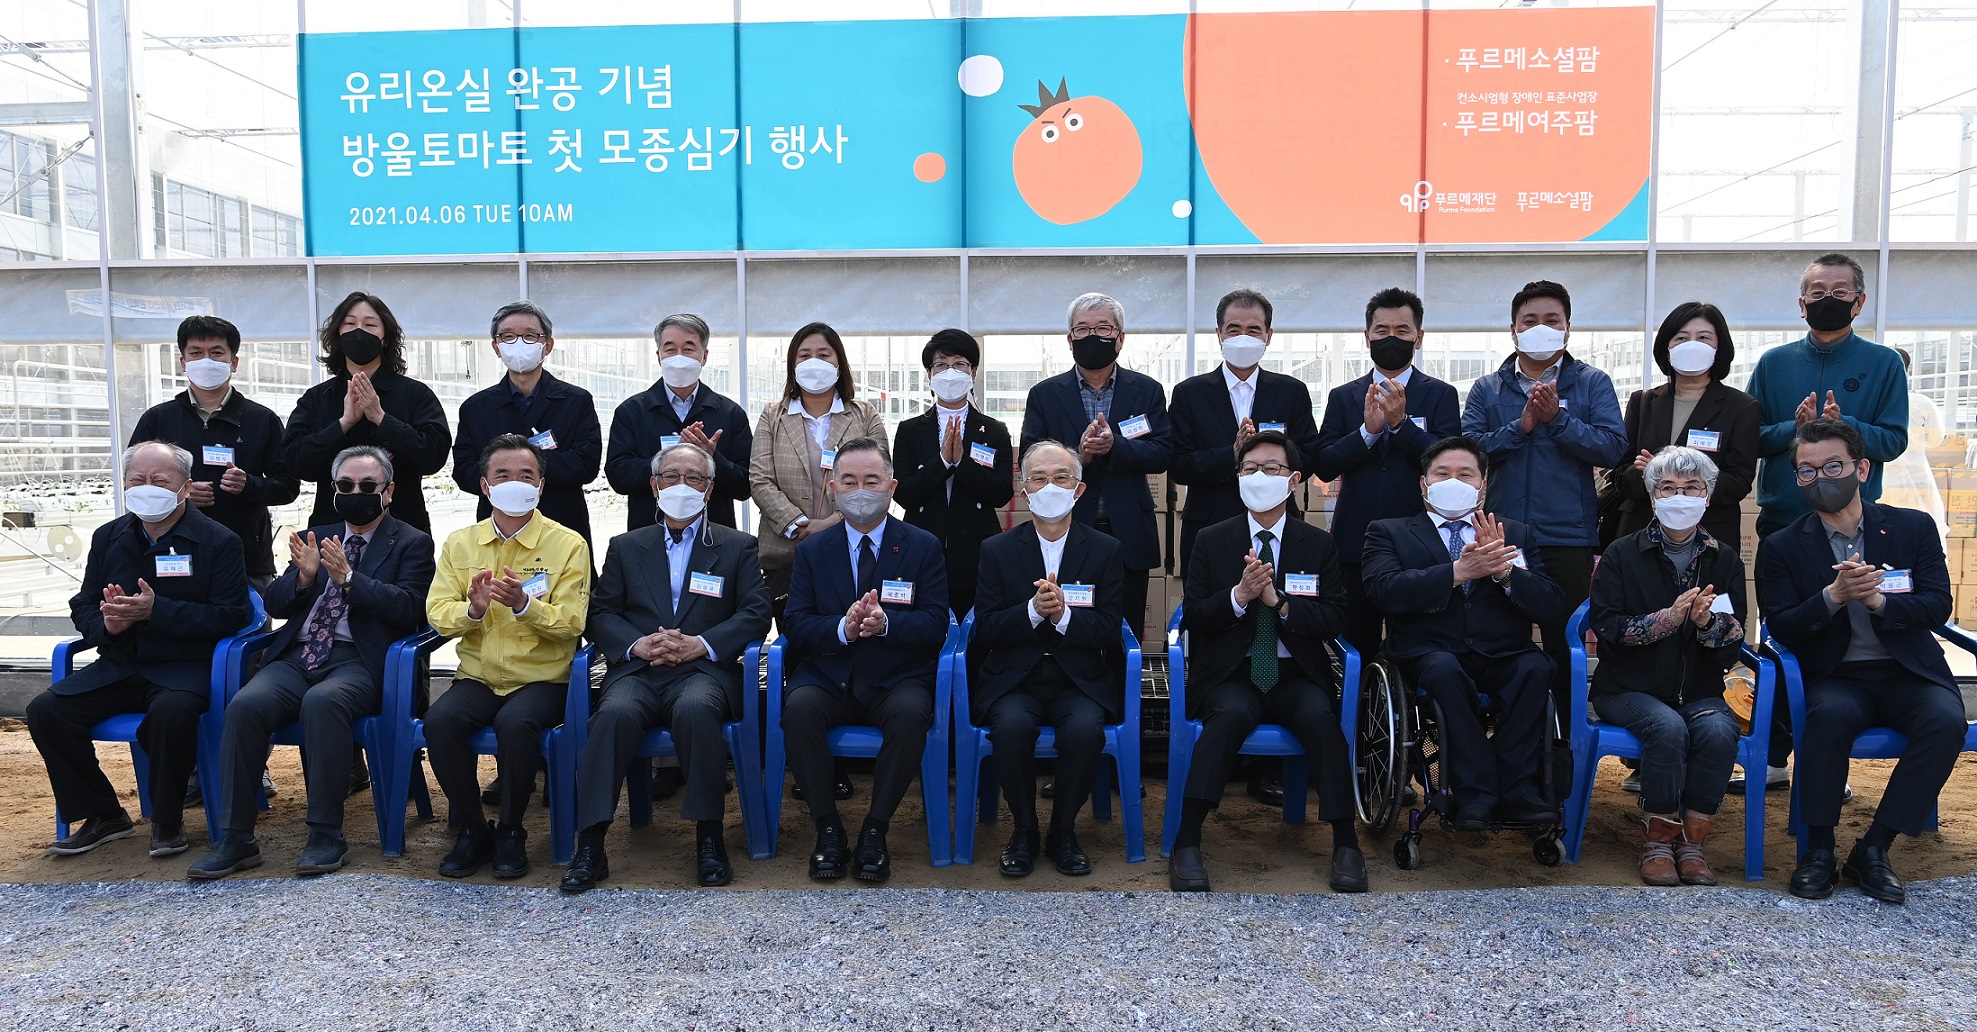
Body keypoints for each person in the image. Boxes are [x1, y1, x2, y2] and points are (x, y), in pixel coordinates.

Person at [186, 446, 435, 880]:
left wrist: (350, 580)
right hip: (299, 655)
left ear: (389, 491)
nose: (355, 493)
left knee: (323, 702)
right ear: (333, 489)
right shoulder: (316, 535)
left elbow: (410, 608)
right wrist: (303, 577)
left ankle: (325, 832)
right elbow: (275, 604)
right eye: (345, 485)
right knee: (245, 706)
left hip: (361, 660)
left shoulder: (412, 542)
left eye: (367, 485)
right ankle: (236, 837)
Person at [1757, 418, 1964, 906]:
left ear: (1862, 469)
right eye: (1807, 471)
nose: (1820, 478)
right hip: (1837, 675)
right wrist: (1831, 597)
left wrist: (1880, 603)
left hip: (1906, 671)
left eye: (1833, 466)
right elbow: (1781, 625)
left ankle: (1874, 847)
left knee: (1945, 719)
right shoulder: (1782, 545)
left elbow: (1938, 604)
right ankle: (1819, 849)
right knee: (1829, 716)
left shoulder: (1912, 527)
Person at [562, 443, 773, 893]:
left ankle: (709, 837)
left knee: (697, 711)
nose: (682, 485)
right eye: (671, 476)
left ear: (709, 489)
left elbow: (756, 613)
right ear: (654, 486)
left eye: (693, 477)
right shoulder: (626, 546)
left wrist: (701, 644)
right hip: (640, 669)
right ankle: (592, 844)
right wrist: (637, 644)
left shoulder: (737, 546)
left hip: (703, 672)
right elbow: (601, 612)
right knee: (613, 715)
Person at [27, 442, 251, 858]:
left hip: (184, 668)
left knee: (171, 713)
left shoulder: (218, 541)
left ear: (185, 487)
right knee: (46, 710)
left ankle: (167, 820)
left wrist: (156, 611)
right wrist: (107, 625)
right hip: (120, 663)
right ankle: (103, 814)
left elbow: (232, 615)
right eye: (137, 480)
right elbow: (84, 602)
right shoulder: (109, 536)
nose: (147, 488)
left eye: (159, 481)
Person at [1169, 430, 1359, 894]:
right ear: (1237, 478)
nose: (1259, 476)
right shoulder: (1212, 539)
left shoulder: (1317, 544)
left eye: (1272, 468)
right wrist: (1239, 596)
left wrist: (1281, 603)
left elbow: (1335, 616)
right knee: (1228, 718)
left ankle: (1346, 841)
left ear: (1293, 480)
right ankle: (1187, 840)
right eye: (1250, 468)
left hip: (1295, 673)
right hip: (1232, 673)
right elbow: (1194, 614)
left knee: (1320, 719)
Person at [1745, 253, 1910, 786]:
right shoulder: (1774, 363)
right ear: (1801, 304)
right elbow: (1750, 436)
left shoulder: (1883, 363)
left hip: (1853, 526)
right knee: (1780, 636)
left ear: (1859, 302)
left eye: (1840, 292)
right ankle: (1772, 757)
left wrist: (1846, 427)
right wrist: (1793, 431)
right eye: (1817, 293)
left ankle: (1830, 756)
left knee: (1847, 634)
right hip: (1784, 525)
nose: (1828, 300)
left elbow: (1894, 441)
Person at [1361, 436, 1564, 830]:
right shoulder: (1389, 531)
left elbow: (1551, 605)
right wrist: (1457, 572)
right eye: (1443, 474)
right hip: (1428, 650)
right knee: (1444, 671)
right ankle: (1474, 791)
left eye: (1465, 474)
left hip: (1502, 651)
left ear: (1482, 486)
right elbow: (1383, 590)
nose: (1453, 481)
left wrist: (1505, 572)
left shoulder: (1514, 532)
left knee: (1536, 668)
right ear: (1424, 484)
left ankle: (1518, 789)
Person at [779, 437, 950, 883]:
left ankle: (875, 829)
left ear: (891, 487)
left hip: (897, 676)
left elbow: (936, 622)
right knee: (798, 710)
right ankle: (828, 829)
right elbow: (795, 622)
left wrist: (887, 624)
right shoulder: (813, 550)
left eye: (871, 481)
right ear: (833, 487)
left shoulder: (922, 545)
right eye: (850, 481)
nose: (860, 490)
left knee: (910, 715)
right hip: (828, 673)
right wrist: (844, 628)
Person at [424, 434, 591, 880]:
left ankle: (512, 830)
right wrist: (473, 610)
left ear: (541, 485)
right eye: (503, 475)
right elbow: (438, 613)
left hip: (542, 678)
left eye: (526, 475)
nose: (515, 483)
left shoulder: (567, 544)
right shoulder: (461, 543)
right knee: (439, 723)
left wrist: (524, 605)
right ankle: (473, 829)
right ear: (485, 485)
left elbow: (572, 621)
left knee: (515, 725)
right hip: (478, 676)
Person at [1461, 279, 1625, 714]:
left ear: (1568, 329)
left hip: (1567, 535)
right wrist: (1521, 427)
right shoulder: (1487, 388)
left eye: (1552, 320)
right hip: (1503, 535)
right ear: (1513, 330)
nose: (1540, 328)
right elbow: (1470, 450)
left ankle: (1566, 740)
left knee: (1564, 641)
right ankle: (1506, 732)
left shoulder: (1592, 383)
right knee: (1501, 638)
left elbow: (1613, 447)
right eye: (1529, 320)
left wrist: (1558, 421)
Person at [1589, 446, 1746, 887]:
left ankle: (1693, 842)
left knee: (1719, 731)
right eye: (1668, 488)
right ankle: (1658, 841)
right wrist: (1667, 620)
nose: (1680, 497)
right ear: (1653, 496)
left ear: (1707, 497)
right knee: (1667, 727)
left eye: (1691, 488)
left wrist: (1708, 624)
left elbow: (1735, 637)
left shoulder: (1723, 558)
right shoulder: (1622, 553)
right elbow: (1608, 627)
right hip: (1626, 688)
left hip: (1698, 689)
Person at [969, 440, 1125, 878]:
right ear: (1023, 489)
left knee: (1085, 730)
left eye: (1061, 477)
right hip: (1014, 679)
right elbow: (987, 628)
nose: (1050, 486)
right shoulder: (996, 549)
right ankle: (1024, 830)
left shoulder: (1106, 549)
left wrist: (1064, 617)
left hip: (1078, 679)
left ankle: (1062, 832)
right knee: (1011, 728)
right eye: (1038, 478)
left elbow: (1109, 628)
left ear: (1079, 489)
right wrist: (1033, 612)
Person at [1314, 287, 1462, 656]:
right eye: (1381, 330)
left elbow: (1449, 463)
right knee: (1356, 641)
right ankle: (1359, 695)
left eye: (1402, 330)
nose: (1391, 338)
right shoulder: (1343, 396)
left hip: (1418, 541)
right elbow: (1325, 464)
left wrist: (1400, 425)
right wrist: (1367, 433)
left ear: (1418, 337)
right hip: (1355, 540)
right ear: (1367, 336)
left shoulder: (1441, 394)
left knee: (1416, 642)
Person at [1020, 292, 1172, 644]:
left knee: (1125, 631)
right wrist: (1079, 458)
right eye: (1083, 329)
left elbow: (1163, 453)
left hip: (1128, 529)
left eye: (1103, 328)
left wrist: (1115, 446)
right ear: (1070, 338)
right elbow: (1028, 456)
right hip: (1065, 528)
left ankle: (1122, 681)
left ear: (1120, 337)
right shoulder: (1045, 394)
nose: (1093, 336)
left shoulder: (1146, 390)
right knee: (1068, 624)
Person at [128, 315, 299, 590]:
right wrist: (179, 495)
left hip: (245, 559)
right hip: (171, 555)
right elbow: (134, 484)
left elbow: (288, 486)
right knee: (171, 616)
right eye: (196, 353)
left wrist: (249, 485)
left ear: (234, 362)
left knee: (246, 617)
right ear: (183, 363)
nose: (206, 361)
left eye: (217, 353)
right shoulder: (158, 420)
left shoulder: (261, 420)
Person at [1170, 288, 1321, 579]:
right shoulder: (1190, 393)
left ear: (1268, 335)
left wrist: (1269, 464)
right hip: (1210, 526)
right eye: (1234, 329)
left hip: (1279, 525)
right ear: (1219, 334)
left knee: (1282, 602)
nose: (1243, 337)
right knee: (1213, 604)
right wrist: (1233, 454)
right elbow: (1179, 464)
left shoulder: (1291, 391)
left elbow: (1310, 456)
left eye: (1253, 330)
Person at [749, 322, 888, 625]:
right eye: (805, 355)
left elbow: (880, 478)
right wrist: (798, 525)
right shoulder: (772, 416)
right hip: (787, 553)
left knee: (858, 628)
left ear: (839, 363)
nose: (814, 362)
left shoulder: (865, 415)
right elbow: (760, 480)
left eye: (824, 355)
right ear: (792, 364)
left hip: (853, 547)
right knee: (800, 636)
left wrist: (830, 524)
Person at [280, 291, 451, 535]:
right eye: (350, 324)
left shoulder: (415, 394)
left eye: (370, 325)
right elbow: (295, 462)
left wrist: (381, 418)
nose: (359, 332)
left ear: (385, 337)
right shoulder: (316, 398)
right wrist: (343, 424)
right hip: (331, 530)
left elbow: (433, 456)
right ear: (338, 335)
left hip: (402, 530)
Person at [1607, 302, 1760, 551]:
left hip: (1709, 535)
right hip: (1642, 532)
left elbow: (1739, 481)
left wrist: (1684, 479)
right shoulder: (1642, 401)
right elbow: (1619, 474)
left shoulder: (1741, 407)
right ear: (1667, 348)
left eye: (1703, 338)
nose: (1692, 345)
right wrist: (1649, 474)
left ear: (1719, 347)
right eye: (1681, 338)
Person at [451, 300, 602, 546]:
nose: (518, 343)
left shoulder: (576, 401)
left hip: (562, 526)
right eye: (508, 337)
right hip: (496, 531)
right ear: (496, 347)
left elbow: (586, 464)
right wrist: (509, 478)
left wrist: (522, 465)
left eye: (530, 336)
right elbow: (463, 471)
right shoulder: (476, 408)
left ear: (548, 345)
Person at [892, 329, 1014, 621]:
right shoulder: (910, 430)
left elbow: (1001, 493)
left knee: (975, 624)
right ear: (929, 375)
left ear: (973, 372)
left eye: (959, 364)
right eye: (941, 365)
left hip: (976, 546)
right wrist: (943, 462)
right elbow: (903, 493)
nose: (950, 372)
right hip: (922, 541)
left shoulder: (994, 429)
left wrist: (962, 463)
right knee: (922, 621)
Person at [606, 313, 754, 533]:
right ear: (659, 356)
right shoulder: (631, 411)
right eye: (670, 349)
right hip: (649, 534)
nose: (679, 357)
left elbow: (745, 486)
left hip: (713, 534)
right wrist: (668, 459)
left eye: (688, 349)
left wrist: (711, 458)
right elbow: (618, 476)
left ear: (704, 356)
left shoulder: (730, 413)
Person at [1876, 347, 1948, 550]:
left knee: (1883, 537)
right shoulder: (1920, 402)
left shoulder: (1873, 402)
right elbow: (1936, 439)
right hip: (1917, 482)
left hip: (1881, 480)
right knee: (1921, 536)